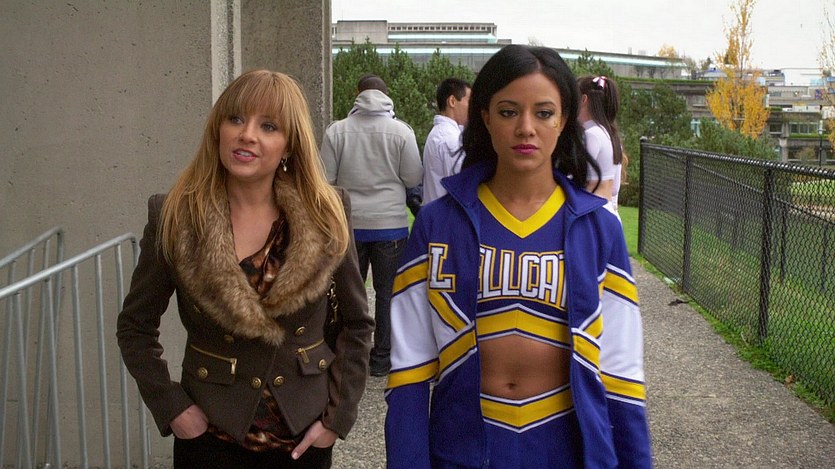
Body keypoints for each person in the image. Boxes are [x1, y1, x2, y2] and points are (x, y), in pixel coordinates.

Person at [384, 45, 651, 468]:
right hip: (462, 452)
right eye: (508, 112)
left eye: (543, 113)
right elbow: (410, 369)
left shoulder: (600, 229)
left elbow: (622, 373)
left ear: (564, 120)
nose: (526, 128)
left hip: (567, 452)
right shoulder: (436, 225)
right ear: (485, 117)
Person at [116, 69, 374, 468]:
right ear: (218, 130)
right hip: (210, 438)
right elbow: (135, 327)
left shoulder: (326, 213)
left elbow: (356, 326)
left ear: (289, 145)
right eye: (235, 119)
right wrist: (172, 408)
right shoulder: (176, 216)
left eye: (268, 126)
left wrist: (336, 419)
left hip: (303, 436)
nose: (247, 135)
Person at [320, 74, 423, 377]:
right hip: (390, 225)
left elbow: (325, 179)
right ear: (386, 95)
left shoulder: (337, 131)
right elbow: (413, 177)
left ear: (357, 93)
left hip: (349, 225)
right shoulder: (401, 132)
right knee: (388, 292)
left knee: (347, 293)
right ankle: (382, 357)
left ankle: (349, 354)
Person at [578, 75, 624, 221]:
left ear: (583, 100)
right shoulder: (612, 136)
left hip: (592, 213)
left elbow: (576, 177)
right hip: (609, 212)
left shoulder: (591, 135)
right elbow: (615, 188)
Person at [421, 77, 471, 204]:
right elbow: (461, 188)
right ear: (452, 101)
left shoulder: (440, 133)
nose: (472, 108)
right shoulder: (450, 139)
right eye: (470, 102)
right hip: (449, 214)